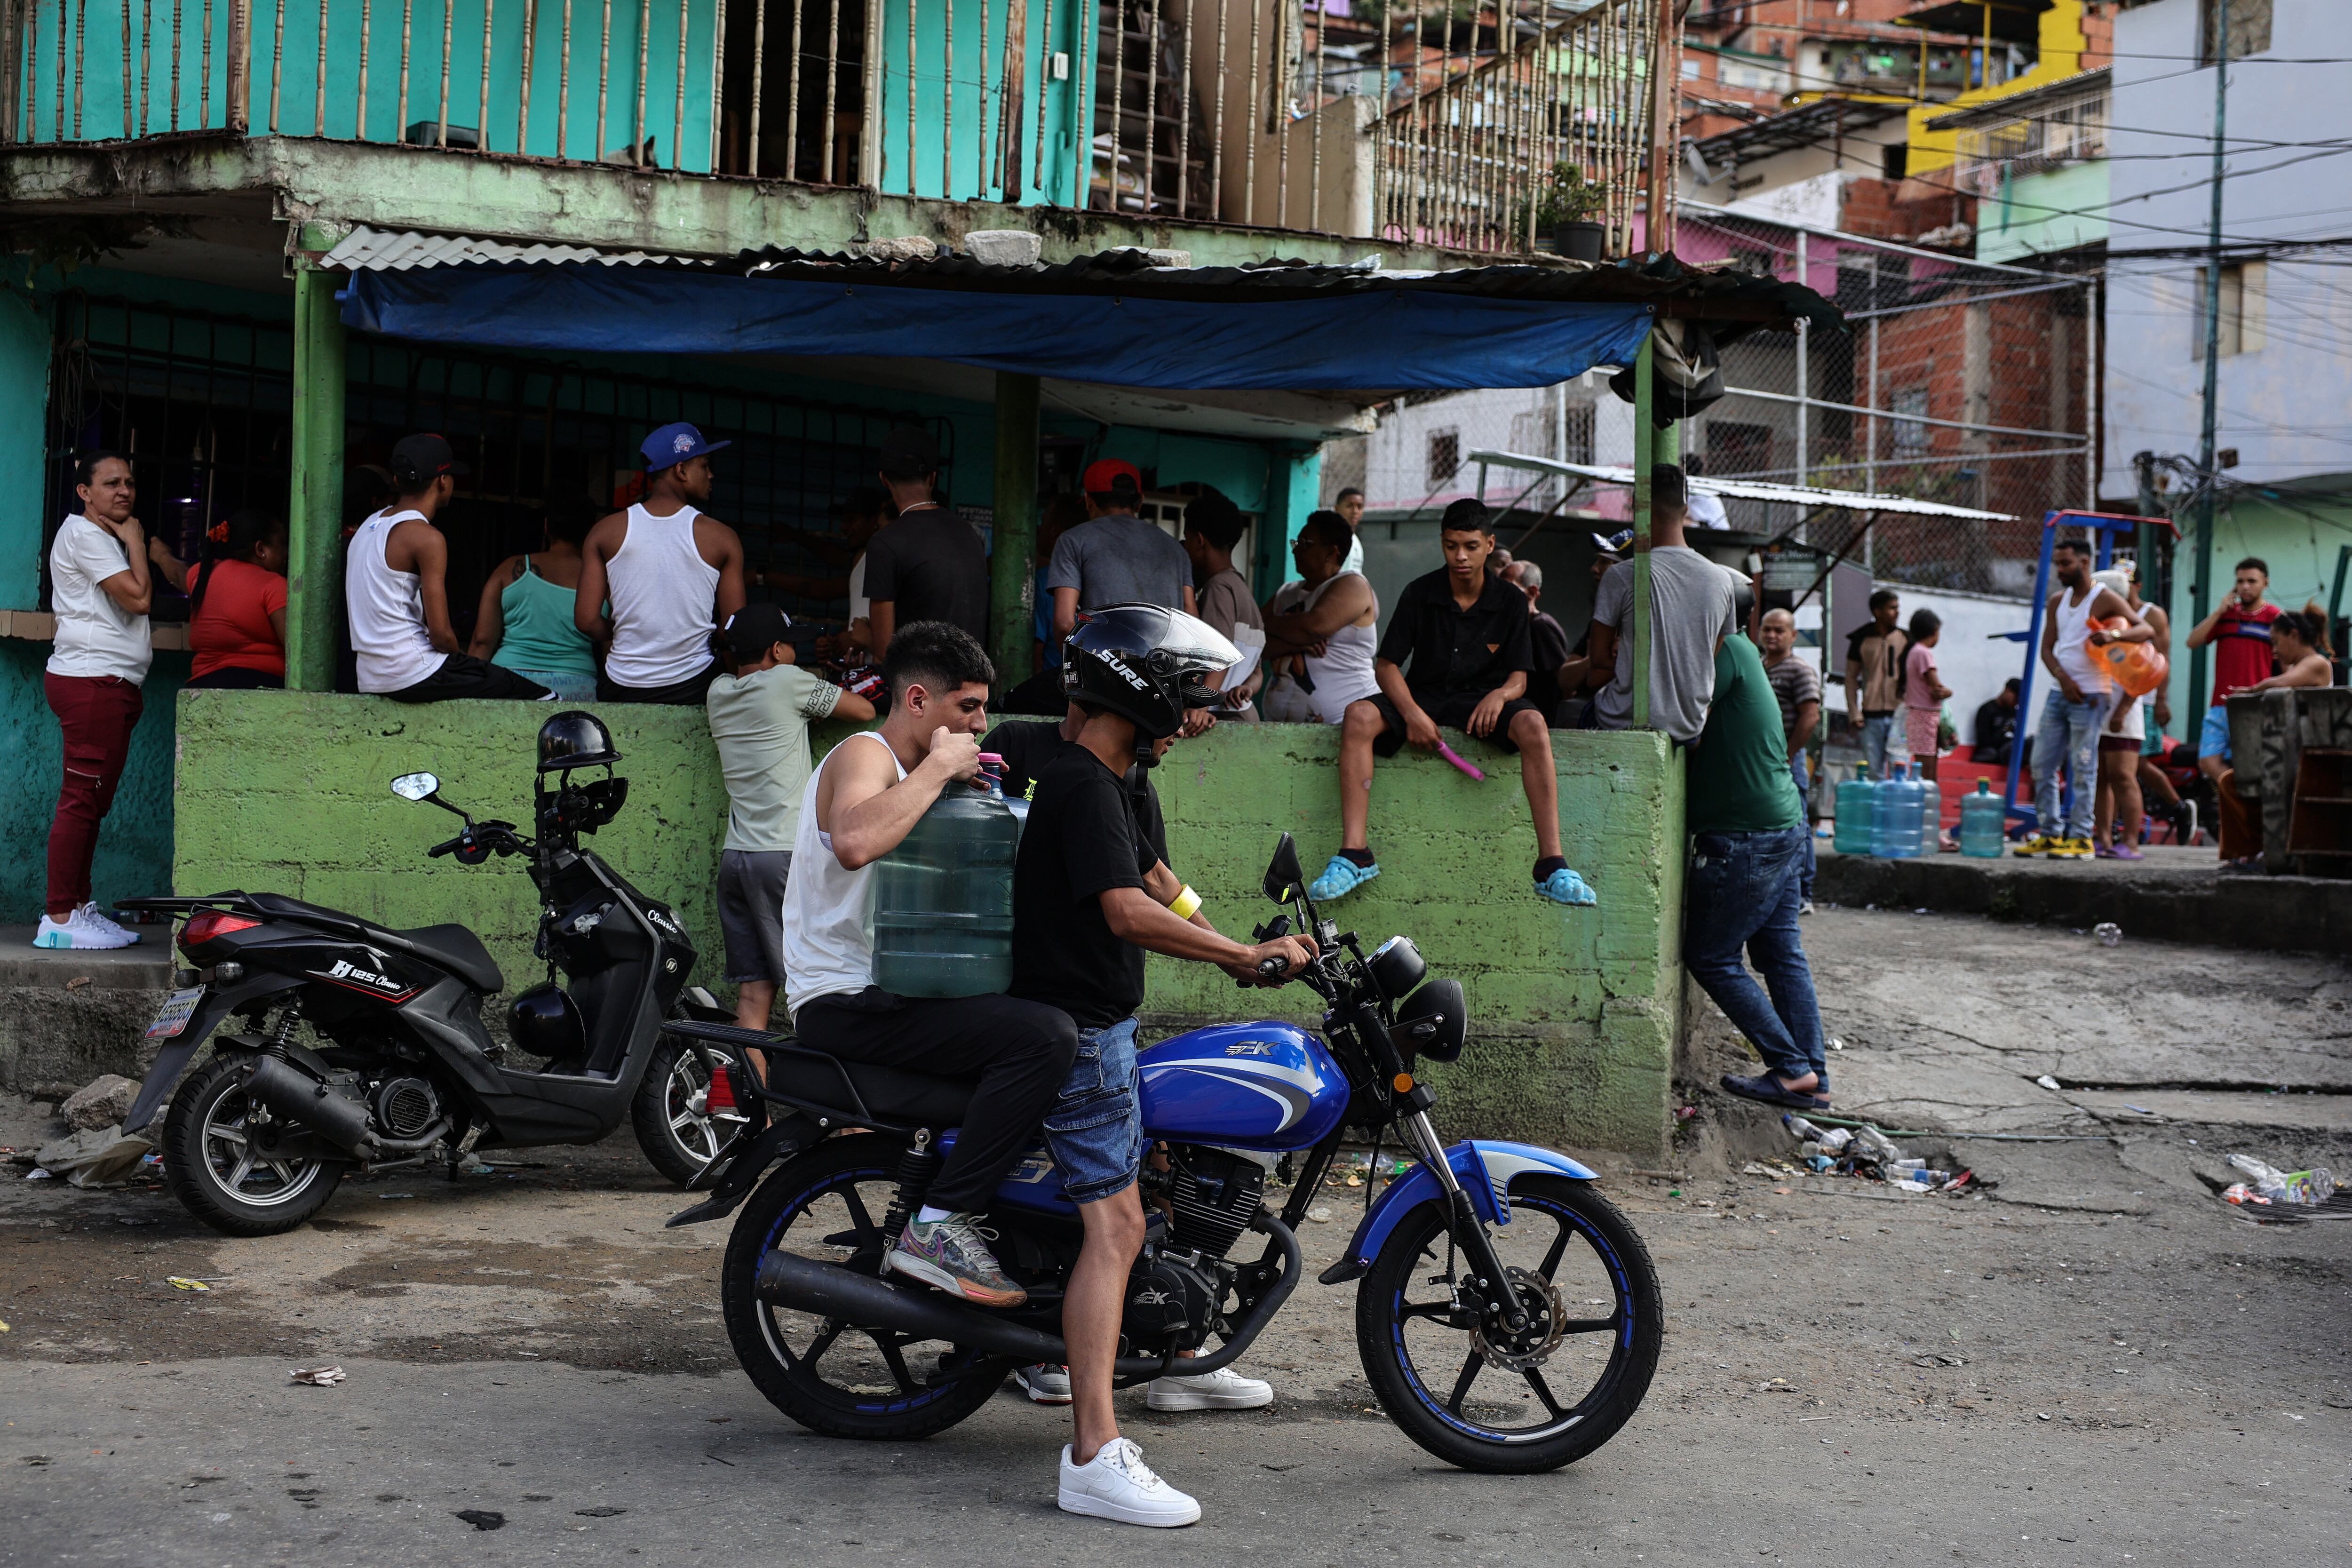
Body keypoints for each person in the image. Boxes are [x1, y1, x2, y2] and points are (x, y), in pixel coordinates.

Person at [1008, 605, 1313, 1527]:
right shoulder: (1080, 784)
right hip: (1081, 1028)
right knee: (1117, 1228)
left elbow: (1153, 880)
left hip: (1103, 1023)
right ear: (1135, 694)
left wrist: (1242, 940)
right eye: (1183, 701)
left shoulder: (1111, 777)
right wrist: (1232, 962)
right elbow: (1123, 912)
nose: (1192, 720)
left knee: (1154, 1195)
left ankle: (1182, 1357)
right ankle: (1094, 1451)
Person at [779, 620, 1079, 1306]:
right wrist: (942, 767)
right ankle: (938, 1228)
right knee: (1045, 1039)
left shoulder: (911, 777)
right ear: (918, 701)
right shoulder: (866, 754)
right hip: (848, 1001)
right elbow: (855, 839)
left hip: (894, 993)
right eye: (967, 708)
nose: (982, 723)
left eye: (983, 707)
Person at [1313, 499, 1593, 907]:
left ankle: (1552, 865)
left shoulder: (1512, 602)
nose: (1460, 556)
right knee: (1359, 715)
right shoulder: (1419, 593)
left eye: (1471, 546)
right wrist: (1412, 714)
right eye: (1450, 545)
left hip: (1482, 702)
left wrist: (1500, 696)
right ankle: (1356, 854)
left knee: (1533, 724)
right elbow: (1388, 666)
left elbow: (1520, 678)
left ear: (1489, 544)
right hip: (1423, 696)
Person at [707, 603, 876, 1038]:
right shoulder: (786, 681)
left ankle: (752, 1108)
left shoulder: (719, 691)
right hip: (781, 854)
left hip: (736, 859)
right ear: (778, 650)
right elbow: (863, 711)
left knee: (753, 994)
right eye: (792, 649)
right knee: (818, 987)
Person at [1689, 631, 1829, 1112]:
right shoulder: (1742, 650)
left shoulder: (1723, 651)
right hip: (1781, 822)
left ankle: (1793, 1069)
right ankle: (1813, 1078)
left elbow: (1682, 723)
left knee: (1710, 957)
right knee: (1780, 951)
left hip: (1747, 832)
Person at [37, 452, 154, 949]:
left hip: (109, 684)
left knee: (93, 804)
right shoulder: (87, 536)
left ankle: (79, 906)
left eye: (129, 482)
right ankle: (60, 917)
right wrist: (138, 544)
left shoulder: (101, 537)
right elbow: (139, 598)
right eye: (110, 483)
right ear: (85, 492)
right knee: (81, 803)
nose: (123, 491)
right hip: (91, 683)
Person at [348, 434, 551, 703]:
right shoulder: (427, 537)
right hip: (414, 672)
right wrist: (460, 659)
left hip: (371, 675)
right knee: (544, 697)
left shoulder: (367, 527)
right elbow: (442, 636)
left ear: (397, 481)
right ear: (444, 482)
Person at [577, 422, 747, 704]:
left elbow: (586, 620)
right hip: (693, 685)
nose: (711, 474)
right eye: (704, 465)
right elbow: (735, 627)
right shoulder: (722, 537)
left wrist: (625, 633)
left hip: (621, 685)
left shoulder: (605, 532)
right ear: (681, 471)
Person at [1582, 466, 1738, 743]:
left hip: (1625, 720)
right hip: (1690, 728)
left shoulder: (1623, 575)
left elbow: (1600, 660)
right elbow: (1708, 655)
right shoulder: (1722, 580)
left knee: (1571, 712)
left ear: (1640, 509)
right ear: (1685, 508)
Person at [2017, 540, 2145, 859]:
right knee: (2041, 764)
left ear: (2085, 563)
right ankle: (2050, 833)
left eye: (2066, 564)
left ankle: (2082, 838)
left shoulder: (2104, 598)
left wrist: (2114, 636)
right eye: (2058, 564)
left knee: (2084, 765)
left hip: (2092, 695)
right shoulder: (2057, 601)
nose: (2060, 570)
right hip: (2061, 692)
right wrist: (2062, 677)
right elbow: (2048, 648)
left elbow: (2145, 630)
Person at [2206, 605, 2336, 866]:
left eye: (2276, 642)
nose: (2274, 651)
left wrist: (2250, 690)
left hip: (2310, 759)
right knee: (2232, 782)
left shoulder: (2316, 664)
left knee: (2246, 782)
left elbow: (2276, 685)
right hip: (2289, 757)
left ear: (2294, 636)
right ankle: (2246, 853)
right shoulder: (2299, 666)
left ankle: (2259, 851)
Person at [863, 426, 988, 654]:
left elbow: (884, 650)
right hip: (974, 681)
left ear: (884, 480)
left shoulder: (885, 544)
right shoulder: (970, 533)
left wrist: (860, 636)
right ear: (932, 478)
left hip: (922, 685)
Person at [1047, 459, 1196, 643]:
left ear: (1089, 501)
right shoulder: (1176, 550)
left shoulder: (1073, 540)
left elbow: (1064, 625)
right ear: (1140, 502)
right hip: (1164, 668)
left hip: (1103, 667)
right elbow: (1193, 623)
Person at [468, 498, 601, 702]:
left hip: (511, 681)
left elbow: (482, 641)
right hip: (578, 684)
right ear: (591, 530)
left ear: (547, 526)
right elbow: (615, 650)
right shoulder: (602, 579)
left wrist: (468, 692)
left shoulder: (511, 569)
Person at [1259, 512, 1380, 726]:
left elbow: (1314, 627)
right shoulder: (1286, 593)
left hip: (1347, 725)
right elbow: (1256, 641)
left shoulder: (1353, 584)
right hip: (1281, 727)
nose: (1296, 549)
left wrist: (1275, 629)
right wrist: (1300, 643)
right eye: (1296, 542)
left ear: (1332, 552)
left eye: (1306, 544)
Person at [2188, 556, 2282, 789]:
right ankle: (2239, 801)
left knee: (2251, 764)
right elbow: (2192, 642)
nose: (2245, 587)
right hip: (2221, 704)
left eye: (2252, 581)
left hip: (2255, 704)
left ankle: (2243, 810)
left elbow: (2286, 665)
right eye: (2240, 582)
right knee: (2208, 762)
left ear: (2265, 583)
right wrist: (2219, 612)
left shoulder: (2276, 618)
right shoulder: (2226, 616)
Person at [168, 509, 290, 690]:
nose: (288, 553)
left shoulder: (204, 574)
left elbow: (178, 575)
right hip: (259, 690)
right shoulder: (274, 585)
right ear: (261, 550)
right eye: (283, 543)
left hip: (202, 687)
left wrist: (161, 555)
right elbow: (296, 651)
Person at [1756, 607, 1821, 913]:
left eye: (1779, 630)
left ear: (1793, 635)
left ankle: (1804, 893)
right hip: (1763, 758)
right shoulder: (1758, 667)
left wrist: (1788, 753)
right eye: (1767, 629)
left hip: (1787, 760)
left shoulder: (1799, 669)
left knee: (1797, 823)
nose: (1772, 635)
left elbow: (1810, 716)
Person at [1180, 487, 1265, 720]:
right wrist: (1248, 687)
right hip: (1244, 713)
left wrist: (1200, 706)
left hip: (1221, 718)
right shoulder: (1242, 590)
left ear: (1199, 540)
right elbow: (1257, 669)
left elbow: (1220, 653)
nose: (1184, 546)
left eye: (1186, 539)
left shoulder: (1218, 587)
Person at [2090, 567, 2152, 860]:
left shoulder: (2129, 630)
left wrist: (2122, 711)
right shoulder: (2096, 628)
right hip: (2098, 710)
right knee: (2100, 776)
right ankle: (2103, 837)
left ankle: (2130, 840)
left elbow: (2140, 678)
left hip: (2123, 713)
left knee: (2123, 776)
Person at [1556, 528, 1629, 705]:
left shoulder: (1639, 623)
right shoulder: (1599, 623)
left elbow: (1596, 679)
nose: (1595, 569)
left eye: (1605, 562)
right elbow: (1565, 680)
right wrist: (1597, 656)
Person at [1842, 589, 1906, 777]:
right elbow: (1851, 677)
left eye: (1897, 608)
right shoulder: (1861, 638)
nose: (1897, 612)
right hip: (1870, 717)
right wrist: (1854, 711)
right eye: (1892, 608)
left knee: (1900, 770)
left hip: (1900, 715)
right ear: (1878, 612)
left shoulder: (1906, 639)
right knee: (1873, 772)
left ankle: (1897, 807)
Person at [1507, 560, 1572, 723]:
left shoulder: (1540, 626)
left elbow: (1564, 679)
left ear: (1531, 592)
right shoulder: (1518, 627)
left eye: (1507, 587)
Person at [1899, 607, 1951, 782]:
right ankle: (1926, 803)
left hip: (1916, 713)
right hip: (1925, 714)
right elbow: (1937, 689)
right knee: (1927, 768)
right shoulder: (1923, 652)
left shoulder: (1913, 651)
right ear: (1934, 631)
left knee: (1923, 762)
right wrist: (1950, 692)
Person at [1972, 679, 2022, 769]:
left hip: (2008, 751)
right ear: (2008, 691)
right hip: (1992, 751)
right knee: (1991, 753)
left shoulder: (2015, 713)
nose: (2016, 704)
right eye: (2015, 699)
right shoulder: (1987, 710)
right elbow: (1984, 741)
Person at [1681, 452, 1731, 531]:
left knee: (1675, 520)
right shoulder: (1701, 484)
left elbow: (1677, 511)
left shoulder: (1690, 486)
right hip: (1720, 528)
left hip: (1712, 529)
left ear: (1684, 467)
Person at [1331, 485, 1367, 574]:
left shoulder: (1355, 540)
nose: (1355, 511)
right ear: (1337, 509)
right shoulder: (1332, 538)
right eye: (1350, 506)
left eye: (1359, 507)